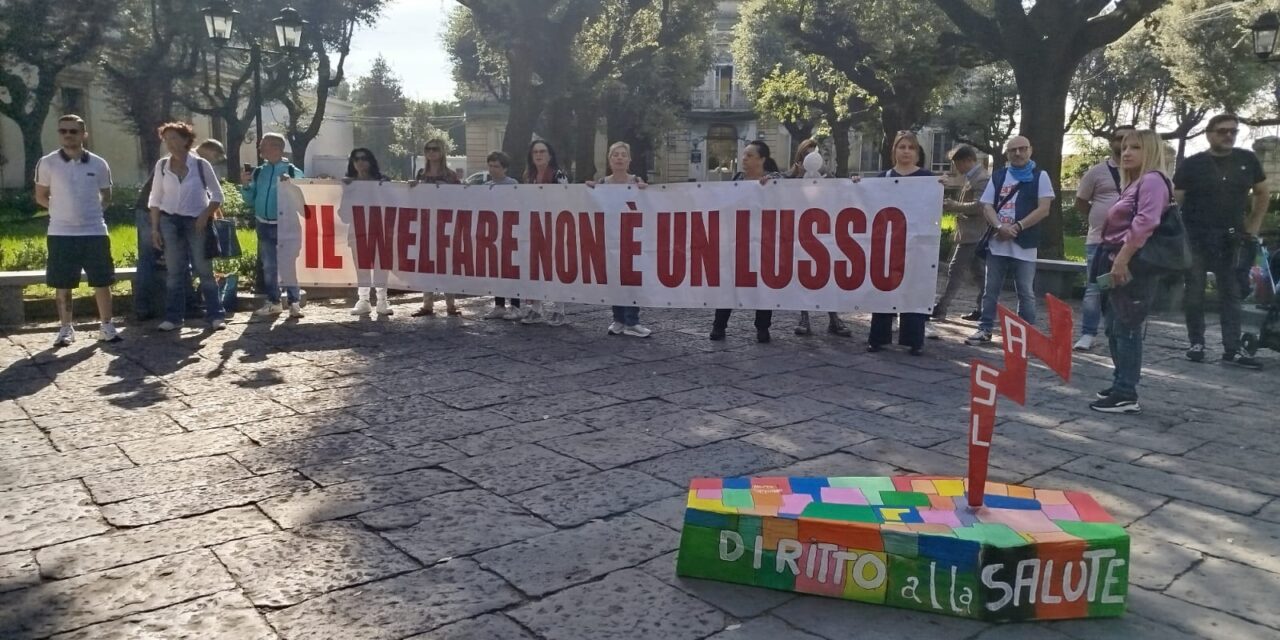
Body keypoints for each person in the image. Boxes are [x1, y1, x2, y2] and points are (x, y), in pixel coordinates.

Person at [1174, 113, 1268, 369]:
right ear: (1209, 133)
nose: (1228, 135)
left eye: (1233, 131)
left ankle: (1232, 348)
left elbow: (1262, 192)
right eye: (1222, 131)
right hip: (1196, 236)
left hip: (1232, 238)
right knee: (1194, 292)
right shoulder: (1192, 164)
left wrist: (1254, 223)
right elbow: (1176, 201)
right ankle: (1197, 343)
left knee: (1231, 293)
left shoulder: (1247, 160)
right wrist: (1173, 233)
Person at [1090, 130, 1170, 413]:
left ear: (1150, 151)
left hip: (1134, 265)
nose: (1126, 153)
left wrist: (1122, 260)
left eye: (1135, 147)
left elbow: (1145, 223)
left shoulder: (1152, 181)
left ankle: (1126, 392)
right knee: (1115, 326)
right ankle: (1120, 382)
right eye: (1124, 147)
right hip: (1119, 260)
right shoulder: (1136, 182)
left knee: (1126, 327)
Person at [34, 114, 121, 346]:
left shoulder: (99, 163)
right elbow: (41, 195)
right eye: (63, 131)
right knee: (63, 283)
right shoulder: (48, 162)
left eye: (73, 131)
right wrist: (60, 210)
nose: (68, 135)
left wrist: (92, 213)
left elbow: (107, 196)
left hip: (94, 231)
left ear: (84, 134)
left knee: (102, 281)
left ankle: (107, 325)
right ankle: (66, 328)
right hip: (61, 233)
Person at [965, 136, 1055, 346]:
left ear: (1030, 150)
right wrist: (999, 226)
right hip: (998, 243)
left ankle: (1026, 333)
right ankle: (985, 328)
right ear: (1007, 154)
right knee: (991, 289)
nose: (1018, 153)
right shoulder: (999, 176)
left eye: (1022, 149)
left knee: (1025, 291)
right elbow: (986, 206)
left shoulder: (1040, 176)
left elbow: (1044, 209)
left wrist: (1018, 226)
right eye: (1013, 150)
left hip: (1025, 243)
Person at [147, 121, 226, 332]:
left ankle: (215, 314)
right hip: (169, 221)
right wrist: (155, 228)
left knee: (204, 269)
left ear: (186, 140)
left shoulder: (201, 165)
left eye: (174, 138)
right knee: (174, 271)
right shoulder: (162, 166)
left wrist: (204, 215)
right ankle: (174, 317)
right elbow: (155, 198)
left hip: (196, 221)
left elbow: (217, 195)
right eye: (167, 139)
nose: (170, 144)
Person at [710, 140, 784, 343]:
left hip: (765, 241)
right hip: (738, 241)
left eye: (750, 155)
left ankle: (762, 328)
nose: (744, 158)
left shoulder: (776, 180)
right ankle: (719, 325)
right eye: (744, 155)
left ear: (762, 159)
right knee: (730, 282)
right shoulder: (737, 180)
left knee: (763, 284)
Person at [867, 131, 933, 355]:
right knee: (884, 287)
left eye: (911, 148)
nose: (906, 151)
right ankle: (879, 337)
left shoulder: (928, 178)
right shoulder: (882, 178)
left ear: (917, 152)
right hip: (887, 244)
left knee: (914, 289)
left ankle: (914, 339)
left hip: (917, 245)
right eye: (902, 147)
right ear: (894, 150)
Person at [1073, 125, 1135, 352]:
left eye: (1130, 139)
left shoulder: (1143, 172)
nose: (1125, 143)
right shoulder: (1097, 172)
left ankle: (1117, 332)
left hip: (1131, 242)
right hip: (1099, 240)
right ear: (1112, 142)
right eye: (1120, 138)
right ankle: (1088, 333)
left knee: (1126, 289)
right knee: (1095, 287)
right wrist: (1098, 217)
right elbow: (1081, 201)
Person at [787, 139, 851, 338]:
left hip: (825, 231)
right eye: (807, 153)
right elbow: (775, 181)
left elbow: (844, 189)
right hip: (800, 232)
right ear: (800, 156)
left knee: (827, 273)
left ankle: (834, 318)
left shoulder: (828, 176)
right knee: (803, 274)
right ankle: (804, 317)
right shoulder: (792, 176)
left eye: (815, 153)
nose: (811, 156)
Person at [587, 141, 652, 338]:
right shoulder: (602, 183)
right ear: (609, 159)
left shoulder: (636, 181)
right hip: (610, 239)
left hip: (633, 239)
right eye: (615, 155)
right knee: (614, 280)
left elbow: (649, 203)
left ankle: (632, 321)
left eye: (623, 154)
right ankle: (618, 319)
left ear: (629, 159)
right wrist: (586, 189)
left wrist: (646, 189)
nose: (619, 158)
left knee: (632, 280)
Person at [241, 132, 305, 319]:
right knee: (269, 266)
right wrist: (245, 186)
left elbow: (303, 199)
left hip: (286, 225)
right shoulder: (259, 171)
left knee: (289, 264)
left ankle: (294, 303)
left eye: (264, 145)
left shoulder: (293, 171)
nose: (260, 148)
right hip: (263, 224)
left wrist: (291, 185)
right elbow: (250, 200)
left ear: (277, 148)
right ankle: (274, 302)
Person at [934, 144, 990, 324]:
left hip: (974, 234)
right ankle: (983, 309)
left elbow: (980, 206)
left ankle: (941, 308)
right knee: (979, 274)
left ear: (967, 161)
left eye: (957, 163)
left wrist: (954, 206)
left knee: (955, 270)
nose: (955, 168)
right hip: (971, 233)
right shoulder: (971, 178)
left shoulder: (980, 178)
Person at [520, 139, 571, 326]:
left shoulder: (558, 175)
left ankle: (559, 309)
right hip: (534, 227)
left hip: (555, 226)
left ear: (550, 155)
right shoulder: (528, 176)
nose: (539, 155)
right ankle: (536, 308)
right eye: (535, 152)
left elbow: (566, 200)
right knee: (534, 267)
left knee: (556, 267)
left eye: (542, 151)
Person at [410, 138, 461, 318]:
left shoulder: (450, 175)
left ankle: (451, 304)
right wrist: (413, 187)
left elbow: (460, 197)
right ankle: (427, 304)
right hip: (425, 223)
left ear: (442, 152)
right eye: (428, 149)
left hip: (445, 224)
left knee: (446, 264)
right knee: (426, 264)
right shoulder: (421, 174)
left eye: (435, 149)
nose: (431, 152)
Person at [345, 148, 393, 317]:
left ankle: (382, 300)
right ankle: (363, 300)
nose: (360, 162)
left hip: (381, 229)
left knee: (382, 266)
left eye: (364, 158)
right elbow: (342, 212)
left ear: (371, 161)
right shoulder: (349, 185)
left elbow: (396, 202)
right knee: (362, 267)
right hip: (358, 230)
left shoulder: (383, 181)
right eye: (356, 159)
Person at [481, 151, 523, 321]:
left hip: (509, 232)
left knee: (511, 269)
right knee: (496, 270)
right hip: (492, 233)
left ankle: (515, 305)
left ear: (504, 168)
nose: (492, 169)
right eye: (490, 166)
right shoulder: (486, 185)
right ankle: (499, 305)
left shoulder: (512, 184)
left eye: (496, 166)